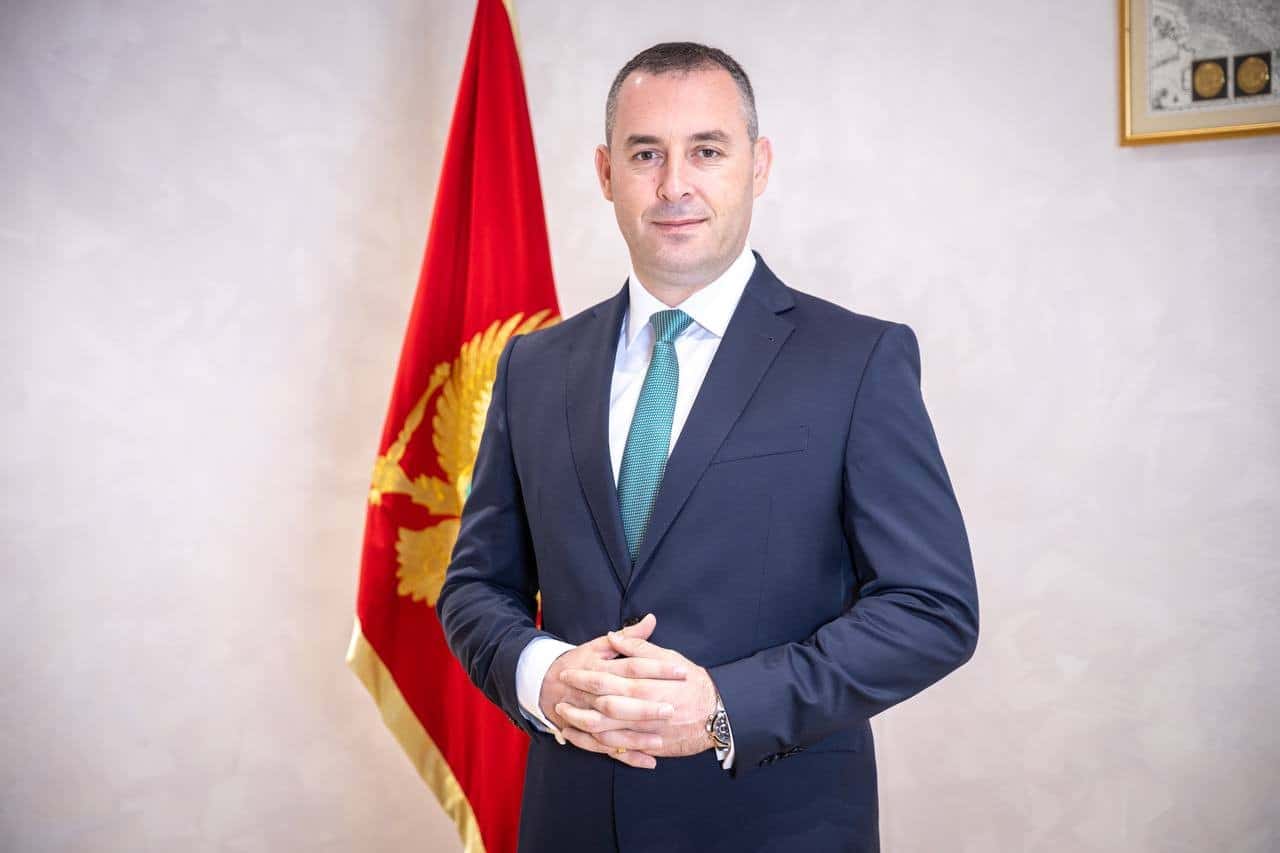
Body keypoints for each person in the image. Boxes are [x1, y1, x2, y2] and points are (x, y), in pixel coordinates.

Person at [436, 41, 979, 853]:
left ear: (758, 165)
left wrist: (726, 706)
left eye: (707, 151)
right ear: (605, 172)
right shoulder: (533, 366)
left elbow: (932, 607)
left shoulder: (857, 360)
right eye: (645, 153)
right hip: (570, 822)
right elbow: (476, 585)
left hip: (778, 827)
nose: (674, 185)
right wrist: (540, 673)